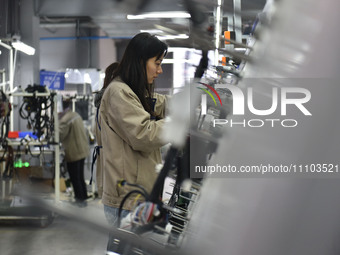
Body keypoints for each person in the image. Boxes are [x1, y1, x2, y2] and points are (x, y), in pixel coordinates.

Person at [95, 32, 169, 251]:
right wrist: (180, 123)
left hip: (136, 197)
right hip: (127, 201)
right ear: (140, 61)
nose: (160, 70)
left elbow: (161, 104)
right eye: (156, 63)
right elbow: (144, 134)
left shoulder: (133, 92)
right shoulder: (119, 93)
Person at [59, 98, 90, 207]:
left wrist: (54, 126)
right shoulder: (74, 114)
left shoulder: (64, 120)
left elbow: (59, 135)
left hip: (74, 152)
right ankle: (83, 197)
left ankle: (80, 201)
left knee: (75, 178)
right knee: (80, 177)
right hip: (82, 150)